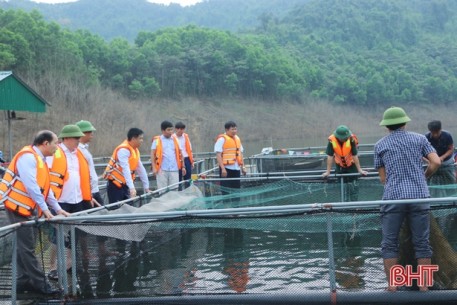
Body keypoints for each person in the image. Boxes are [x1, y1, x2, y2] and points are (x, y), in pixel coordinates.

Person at [374, 106, 440, 292]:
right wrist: (424, 176)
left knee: (389, 243)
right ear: (405, 123)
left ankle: (393, 286)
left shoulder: (380, 145)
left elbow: (383, 179)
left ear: (387, 126)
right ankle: (424, 285)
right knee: (422, 242)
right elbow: (436, 162)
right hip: (419, 196)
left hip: (393, 198)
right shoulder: (420, 139)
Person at [0, 130, 70, 295]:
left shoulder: (40, 160)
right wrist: (46, 211)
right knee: (27, 249)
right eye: (55, 143)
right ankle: (41, 284)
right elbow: (31, 186)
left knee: (23, 247)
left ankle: (22, 282)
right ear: (45, 143)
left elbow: (46, 190)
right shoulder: (28, 157)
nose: (56, 147)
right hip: (17, 208)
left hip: (25, 209)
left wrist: (58, 208)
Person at [46, 124, 97, 280]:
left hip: (77, 200)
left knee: (73, 234)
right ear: (66, 138)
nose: (78, 140)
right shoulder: (54, 153)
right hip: (59, 200)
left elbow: (82, 178)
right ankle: (53, 268)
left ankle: (68, 265)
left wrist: (88, 196)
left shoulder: (79, 154)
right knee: (57, 235)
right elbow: (44, 176)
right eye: (76, 138)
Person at [104, 127, 150, 203]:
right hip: (115, 184)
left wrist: (146, 187)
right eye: (140, 138)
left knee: (129, 207)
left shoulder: (135, 150)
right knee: (116, 209)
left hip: (125, 184)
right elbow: (126, 169)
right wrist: (132, 188)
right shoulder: (123, 150)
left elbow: (141, 169)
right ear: (133, 138)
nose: (142, 141)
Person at [322, 125, 367, 201]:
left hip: (351, 165)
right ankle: (345, 206)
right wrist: (328, 172)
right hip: (340, 166)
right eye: (344, 138)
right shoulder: (332, 141)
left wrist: (359, 170)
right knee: (343, 188)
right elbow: (330, 156)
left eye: (347, 136)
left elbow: (355, 155)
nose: (346, 138)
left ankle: (354, 206)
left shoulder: (351, 140)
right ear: (339, 137)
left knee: (354, 187)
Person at [75, 120, 104, 206]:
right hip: (88, 192)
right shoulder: (78, 150)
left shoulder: (84, 148)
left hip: (93, 190)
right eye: (89, 132)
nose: (92, 134)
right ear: (82, 133)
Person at [151, 121, 184, 191]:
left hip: (174, 169)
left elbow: (181, 153)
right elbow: (152, 154)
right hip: (161, 170)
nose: (170, 132)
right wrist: (154, 168)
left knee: (174, 191)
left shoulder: (176, 140)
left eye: (171, 129)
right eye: (168, 130)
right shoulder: (157, 140)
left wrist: (183, 166)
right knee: (162, 191)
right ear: (163, 130)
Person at [425, 120, 456, 197]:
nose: (435, 135)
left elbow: (450, 149)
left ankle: (453, 198)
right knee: (428, 180)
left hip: (446, 160)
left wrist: (442, 158)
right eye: (433, 133)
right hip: (431, 161)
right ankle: (430, 198)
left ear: (440, 129)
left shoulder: (447, 135)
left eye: (437, 132)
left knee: (450, 179)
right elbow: (421, 153)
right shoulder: (425, 137)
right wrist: (429, 161)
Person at [214, 121, 246, 192]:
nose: (234, 131)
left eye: (235, 129)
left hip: (236, 168)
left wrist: (243, 167)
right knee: (226, 191)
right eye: (232, 129)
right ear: (226, 130)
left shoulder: (237, 138)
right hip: (226, 169)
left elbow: (240, 153)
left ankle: (236, 203)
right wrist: (223, 169)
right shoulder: (222, 139)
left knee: (236, 190)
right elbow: (218, 155)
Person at [174, 121, 194, 189]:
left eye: (182, 129)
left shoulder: (186, 136)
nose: (180, 130)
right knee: (178, 178)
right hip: (177, 160)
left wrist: (192, 161)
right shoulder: (172, 137)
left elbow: (189, 149)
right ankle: (179, 193)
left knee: (188, 177)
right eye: (178, 128)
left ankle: (188, 192)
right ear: (176, 129)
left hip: (186, 158)